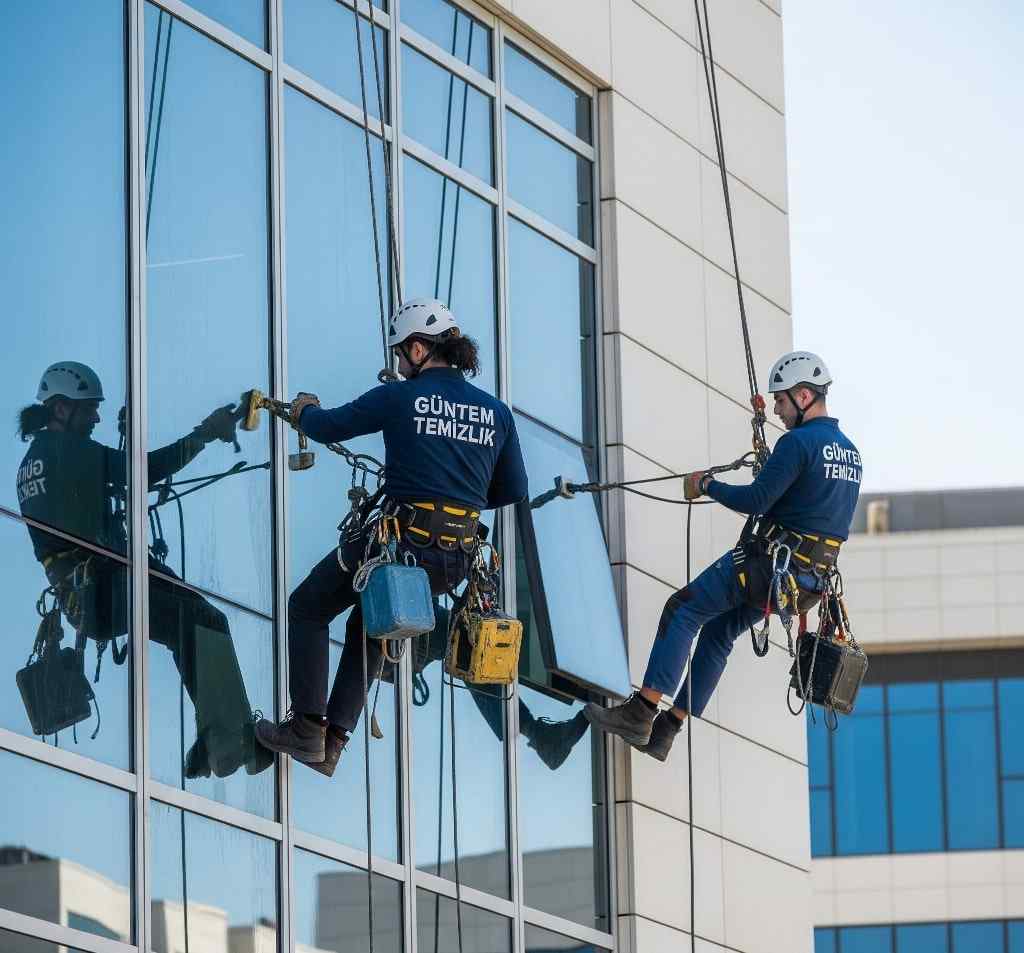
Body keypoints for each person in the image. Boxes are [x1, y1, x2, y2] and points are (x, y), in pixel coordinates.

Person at [255, 298, 529, 778]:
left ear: (419, 349)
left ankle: (306, 728)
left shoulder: (400, 397)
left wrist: (304, 410)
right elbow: (512, 490)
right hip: (454, 559)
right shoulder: (497, 413)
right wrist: (453, 490)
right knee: (370, 623)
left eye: (402, 354)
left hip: (400, 544)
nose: (400, 365)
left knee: (308, 606)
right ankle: (332, 742)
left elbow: (329, 426)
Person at [584, 351, 863, 761]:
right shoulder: (851, 455)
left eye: (781, 401)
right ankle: (667, 730)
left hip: (767, 568)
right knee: (719, 632)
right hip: (802, 586)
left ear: (804, 396)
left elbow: (756, 500)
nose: (777, 411)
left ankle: (641, 712)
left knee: (684, 608)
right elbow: (809, 508)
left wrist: (707, 485)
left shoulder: (798, 443)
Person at [16, 361, 269, 778]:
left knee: (199, 618)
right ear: (61, 409)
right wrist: (204, 435)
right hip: (102, 586)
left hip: (97, 586)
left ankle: (215, 739)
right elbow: (143, 472)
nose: (96, 418)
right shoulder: (64, 451)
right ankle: (226, 743)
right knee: (201, 620)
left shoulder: (36, 461)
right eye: (89, 409)